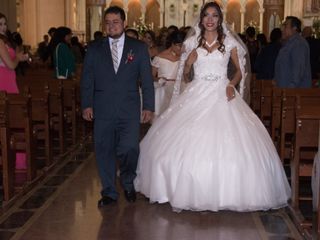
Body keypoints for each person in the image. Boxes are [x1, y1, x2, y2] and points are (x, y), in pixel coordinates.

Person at [134, 2, 291, 212]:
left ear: (219, 19)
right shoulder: (190, 43)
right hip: (196, 92)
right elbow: (185, 76)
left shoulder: (229, 42)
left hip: (222, 92)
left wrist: (231, 85)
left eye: (214, 15)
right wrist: (188, 63)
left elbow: (239, 71)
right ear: (201, 19)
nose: (210, 19)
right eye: (206, 15)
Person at [81, 6, 154, 207]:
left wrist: (148, 106)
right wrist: (86, 104)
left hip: (129, 108)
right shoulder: (94, 48)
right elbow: (87, 79)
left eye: (115, 22)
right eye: (108, 22)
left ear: (124, 23)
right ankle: (109, 192)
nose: (111, 26)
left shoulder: (138, 48)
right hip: (102, 107)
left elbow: (147, 80)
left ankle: (128, 182)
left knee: (130, 148)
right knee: (104, 150)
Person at [152, 30, 185, 118]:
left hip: (179, 89)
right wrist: (159, 79)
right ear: (173, 44)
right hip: (163, 89)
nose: (182, 49)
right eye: (179, 46)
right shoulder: (159, 57)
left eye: (183, 46)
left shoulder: (184, 57)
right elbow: (151, 76)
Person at [274, 16, 312, 88]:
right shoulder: (289, 43)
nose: (282, 29)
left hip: (294, 94)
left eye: (285, 26)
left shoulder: (298, 43)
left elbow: (298, 71)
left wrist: (290, 90)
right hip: (286, 91)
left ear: (294, 28)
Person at [0, 12, 28, 93]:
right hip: (4, 77)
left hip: (7, 76)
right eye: (0, 24)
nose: (3, 27)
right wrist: (18, 58)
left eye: (5, 24)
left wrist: (19, 58)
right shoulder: (0, 42)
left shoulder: (4, 41)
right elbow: (11, 65)